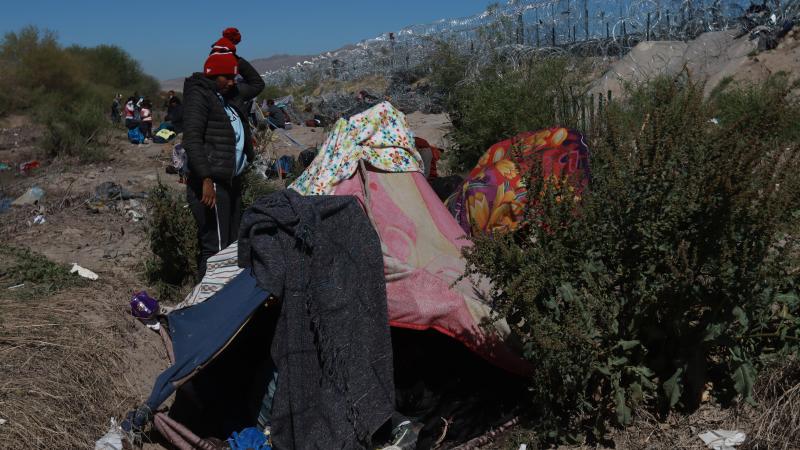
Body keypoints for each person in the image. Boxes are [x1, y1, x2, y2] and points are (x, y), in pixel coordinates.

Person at [182, 30, 264, 276]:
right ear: (212, 75)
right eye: (226, 76)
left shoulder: (228, 95)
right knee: (215, 247)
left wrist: (231, 54)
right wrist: (206, 178)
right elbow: (192, 139)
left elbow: (258, 84)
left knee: (231, 243)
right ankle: (207, 302)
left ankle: (224, 300)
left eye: (233, 76)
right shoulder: (199, 96)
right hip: (212, 182)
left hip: (230, 180)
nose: (232, 81)